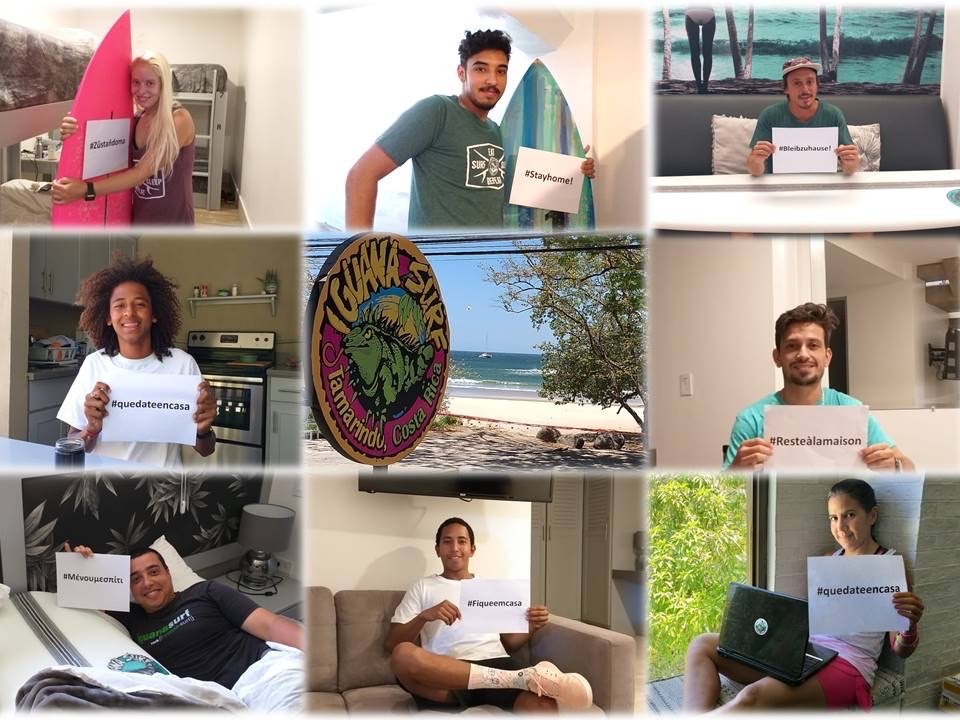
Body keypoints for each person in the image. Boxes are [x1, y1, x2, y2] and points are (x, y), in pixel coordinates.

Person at [682, 479, 924, 711]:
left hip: (849, 664)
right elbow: (814, 620)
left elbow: (900, 648)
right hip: (806, 652)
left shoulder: (889, 564)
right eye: (834, 517)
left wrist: (909, 625)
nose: (840, 526)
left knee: (754, 695)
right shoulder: (830, 559)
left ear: (872, 515)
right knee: (702, 645)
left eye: (850, 515)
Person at [345, 30, 595, 230]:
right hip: (436, 267)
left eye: (501, 71)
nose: (492, 80)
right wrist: (359, 260)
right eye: (480, 69)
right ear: (461, 72)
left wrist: (573, 167)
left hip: (486, 267)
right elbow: (361, 175)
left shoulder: (496, 132)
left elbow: (512, 189)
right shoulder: (436, 111)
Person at [386, 517, 593, 711]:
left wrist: (532, 625)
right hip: (445, 674)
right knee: (402, 654)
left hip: (495, 662)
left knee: (543, 707)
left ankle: (505, 679)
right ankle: (513, 679)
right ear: (437, 549)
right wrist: (425, 615)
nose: (455, 548)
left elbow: (510, 643)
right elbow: (392, 644)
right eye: (447, 542)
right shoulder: (423, 587)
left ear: (472, 549)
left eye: (462, 541)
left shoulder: (491, 588)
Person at [67, 543, 303, 710]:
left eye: (153, 571)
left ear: (169, 573)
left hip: (262, 673)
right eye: (136, 579)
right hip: (215, 700)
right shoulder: (131, 619)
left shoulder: (205, 592)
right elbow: (88, 600)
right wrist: (80, 565)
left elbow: (270, 624)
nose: (147, 583)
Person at [57, 257, 216, 469]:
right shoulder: (94, 365)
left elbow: (206, 449)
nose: (129, 313)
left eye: (140, 304)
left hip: (164, 490)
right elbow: (75, 444)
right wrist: (91, 430)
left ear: (155, 314)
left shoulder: (182, 364)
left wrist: (203, 430)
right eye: (119, 305)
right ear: (108, 317)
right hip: (107, 488)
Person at [723, 302, 914, 471]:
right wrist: (736, 470)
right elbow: (722, 497)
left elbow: (909, 468)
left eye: (813, 345)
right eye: (792, 346)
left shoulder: (850, 410)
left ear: (827, 357)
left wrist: (895, 466)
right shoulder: (752, 419)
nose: (803, 354)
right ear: (777, 357)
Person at [51, 51, 196, 225]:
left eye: (150, 83)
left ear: (163, 85)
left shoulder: (179, 120)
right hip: (139, 222)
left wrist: (86, 190)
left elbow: (140, 173)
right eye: (136, 82)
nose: (141, 91)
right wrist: (74, 131)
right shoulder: (136, 119)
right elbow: (101, 145)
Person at [746, 57, 859, 177]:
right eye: (797, 83)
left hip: (823, 185)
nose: (805, 89)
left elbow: (850, 169)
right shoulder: (770, 115)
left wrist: (850, 162)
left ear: (817, 85)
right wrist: (757, 160)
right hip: (779, 186)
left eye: (810, 82)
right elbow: (754, 170)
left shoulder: (833, 115)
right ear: (786, 88)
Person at [685, 8, 716, 94]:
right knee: (708, 53)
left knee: (694, 53)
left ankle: (699, 86)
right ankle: (705, 87)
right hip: (708, 12)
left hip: (691, 12)